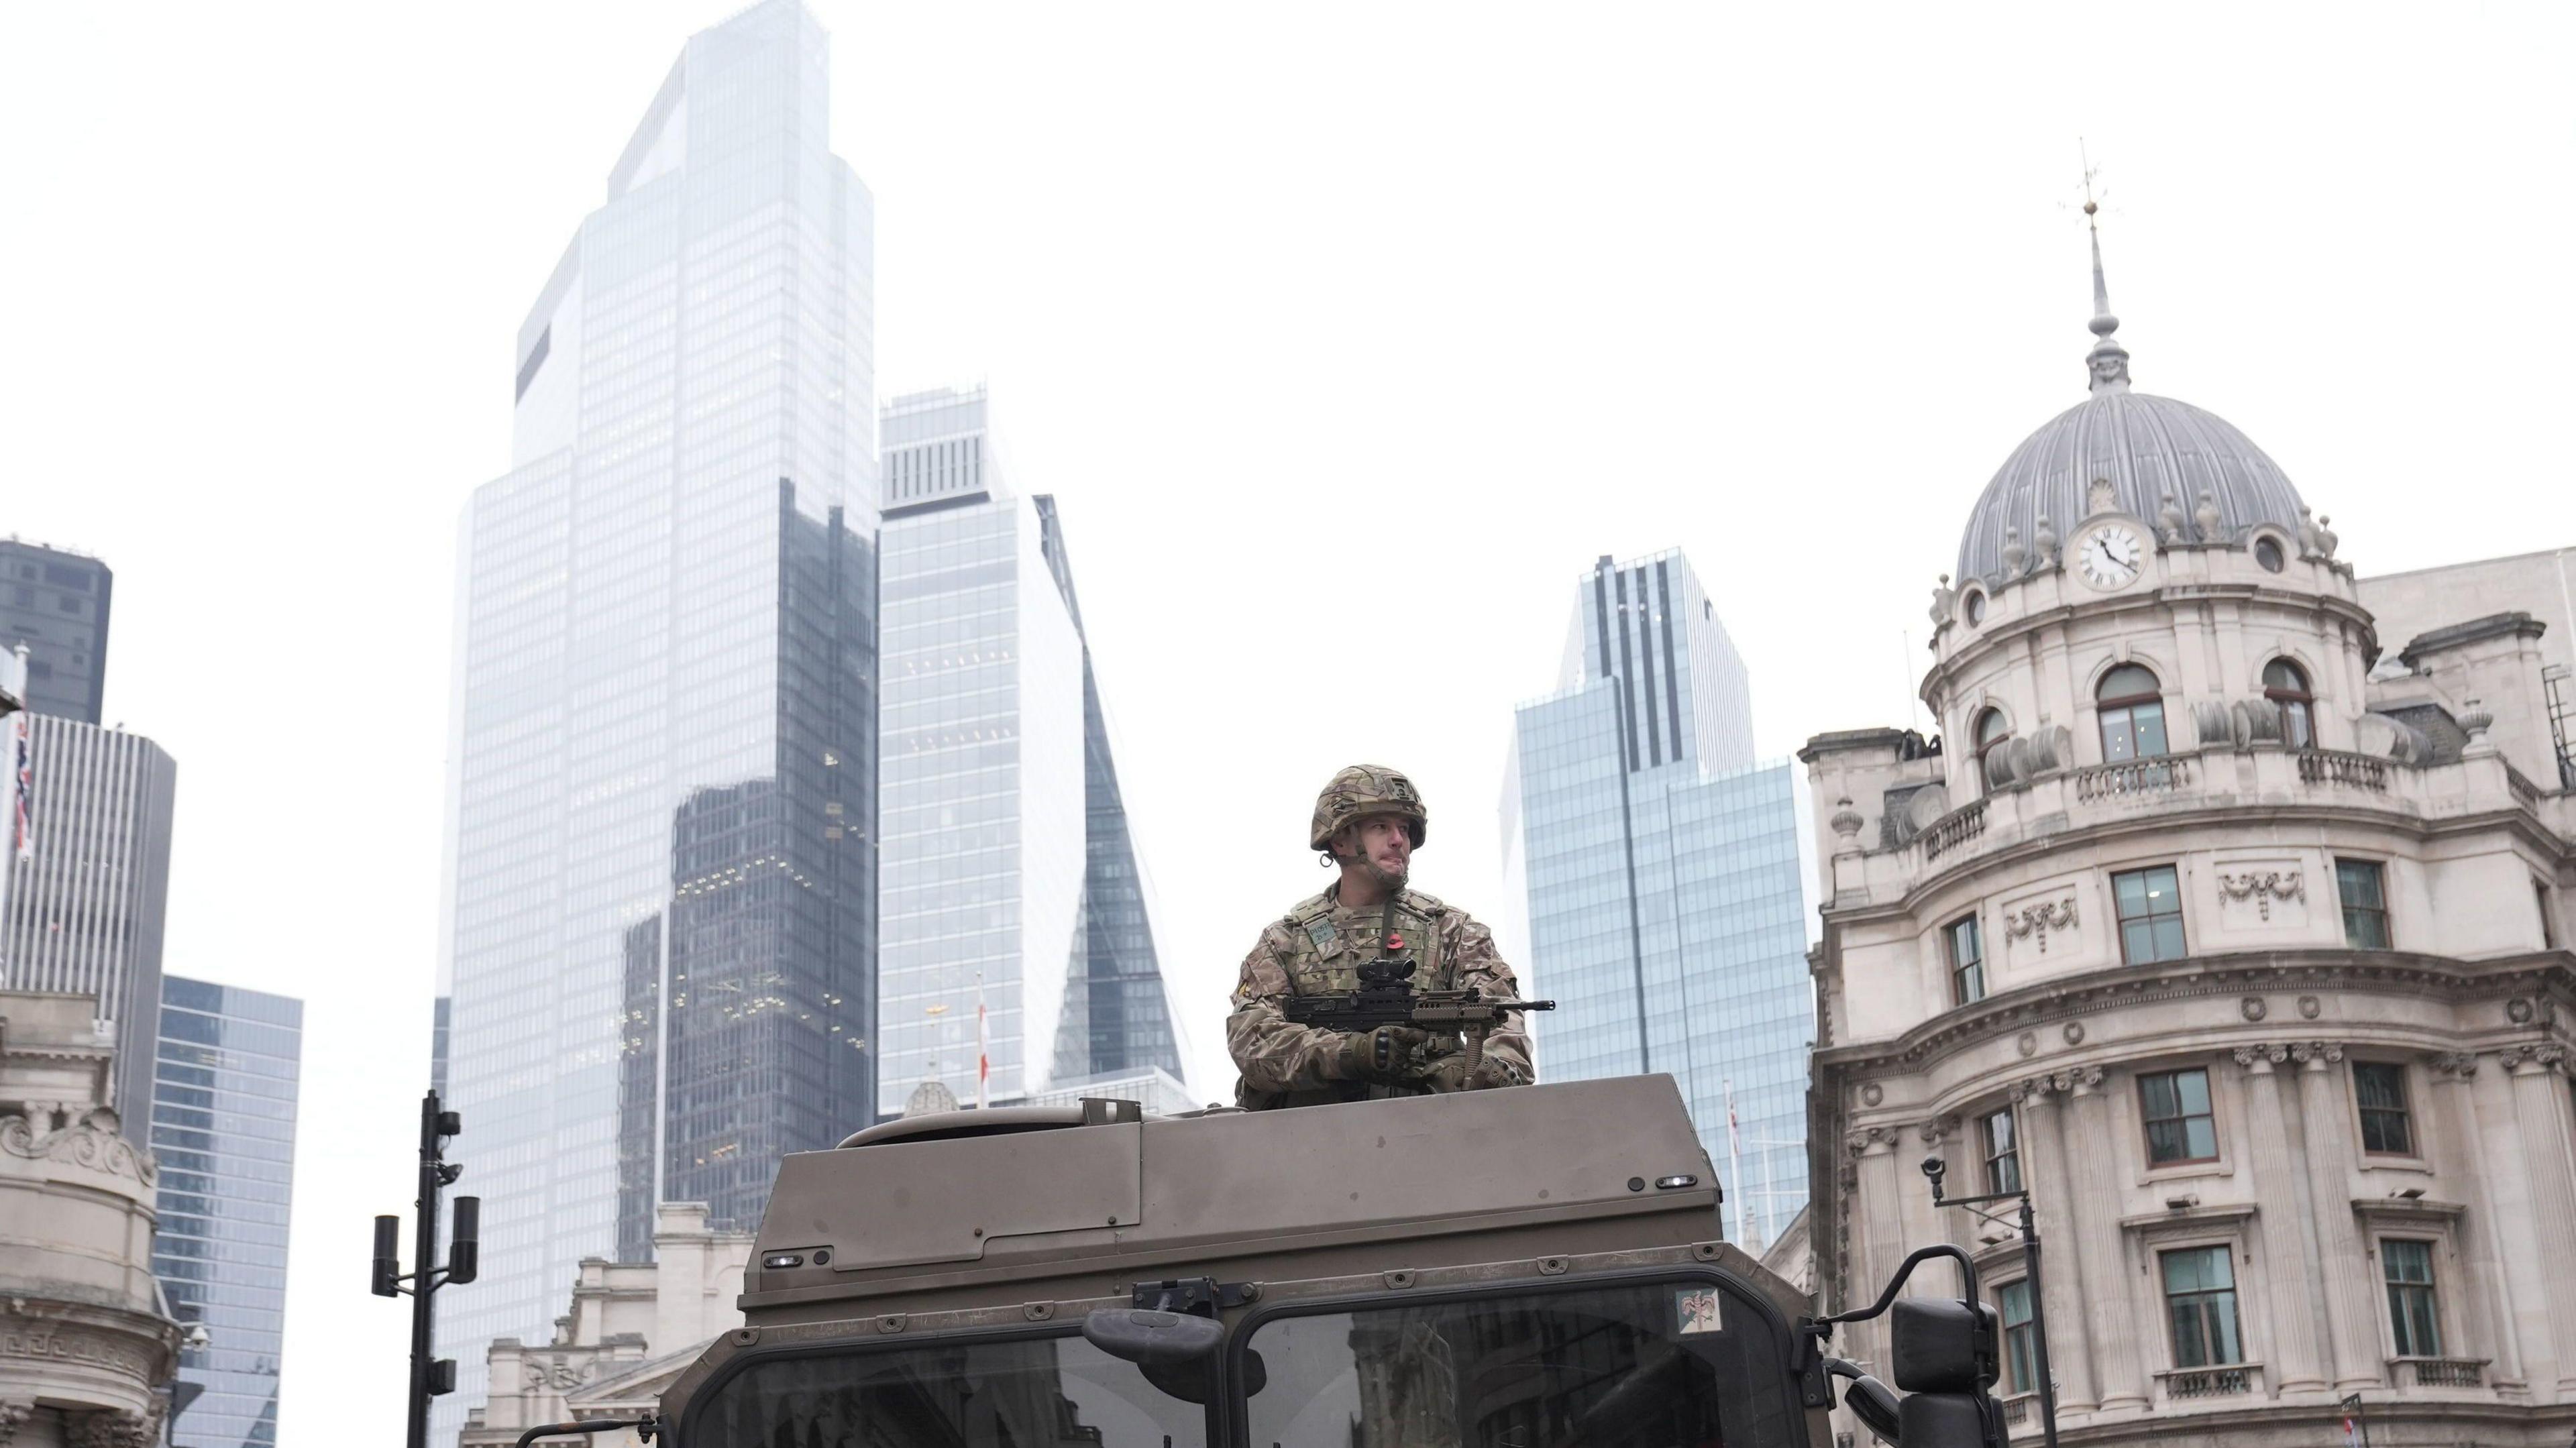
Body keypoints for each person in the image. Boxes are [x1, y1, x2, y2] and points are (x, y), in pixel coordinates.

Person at [1227, 765, 1534, 1109]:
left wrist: (1491, 1068)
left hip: (1430, 1131)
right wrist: (1351, 1053)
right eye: (1380, 827)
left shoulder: (1452, 930)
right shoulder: (1285, 941)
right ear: (1340, 838)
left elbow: (1503, 1017)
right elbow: (1251, 1041)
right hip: (1311, 1140)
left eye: (1404, 828)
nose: (1398, 840)